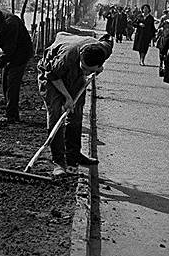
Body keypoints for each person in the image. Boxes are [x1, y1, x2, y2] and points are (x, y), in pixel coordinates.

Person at [37, 32, 112, 177]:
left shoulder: (103, 50)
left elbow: (108, 40)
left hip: (75, 76)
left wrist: (97, 70)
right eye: (84, 67)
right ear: (81, 58)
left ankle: (74, 155)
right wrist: (67, 97)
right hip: (51, 76)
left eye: (89, 70)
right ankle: (58, 162)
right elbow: (52, 75)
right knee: (56, 114)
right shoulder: (68, 56)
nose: (86, 72)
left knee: (76, 114)